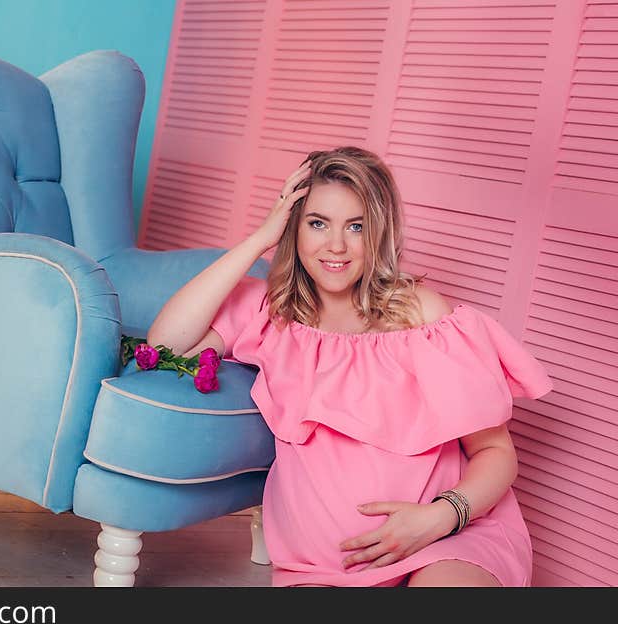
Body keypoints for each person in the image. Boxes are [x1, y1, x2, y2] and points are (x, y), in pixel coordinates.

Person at [146, 146, 553, 587]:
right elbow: (167, 342)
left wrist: (438, 519)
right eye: (317, 223)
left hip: (446, 541)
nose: (336, 246)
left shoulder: (424, 317)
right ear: (293, 227)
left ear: (378, 233)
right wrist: (260, 238)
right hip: (324, 566)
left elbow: (496, 454)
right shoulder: (270, 313)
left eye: (356, 226)